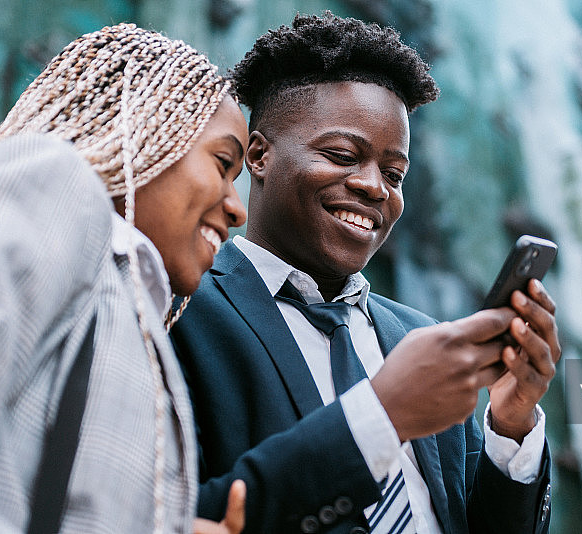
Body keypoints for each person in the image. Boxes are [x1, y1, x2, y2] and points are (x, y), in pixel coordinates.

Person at [170, 12, 560, 534]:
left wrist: (510, 426)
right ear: (259, 155)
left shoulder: (422, 339)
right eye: (343, 155)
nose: (375, 187)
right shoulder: (182, 307)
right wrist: (381, 416)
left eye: (393, 173)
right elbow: (169, 516)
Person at [0, 24, 248, 534]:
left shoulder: (134, 310)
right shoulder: (56, 183)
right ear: (139, 129)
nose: (237, 209)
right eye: (222, 164)